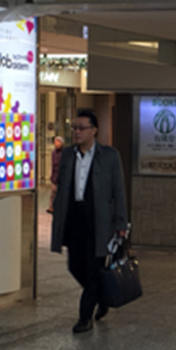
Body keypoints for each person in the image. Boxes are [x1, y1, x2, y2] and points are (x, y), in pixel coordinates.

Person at [51, 110, 129, 334]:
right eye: (74, 128)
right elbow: (62, 186)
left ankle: (84, 317)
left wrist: (121, 223)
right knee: (75, 265)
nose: (77, 132)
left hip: (99, 220)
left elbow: (118, 191)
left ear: (94, 130)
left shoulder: (109, 156)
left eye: (82, 128)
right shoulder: (68, 155)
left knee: (94, 267)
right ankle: (102, 297)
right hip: (74, 217)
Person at [46, 135, 64, 214]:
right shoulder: (53, 153)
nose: (56, 144)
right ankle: (52, 206)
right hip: (55, 176)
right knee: (53, 192)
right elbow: (53, 165)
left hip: (62, 176)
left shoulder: (64, 152)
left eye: (58, 142)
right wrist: (51, 174)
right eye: (55, 142)